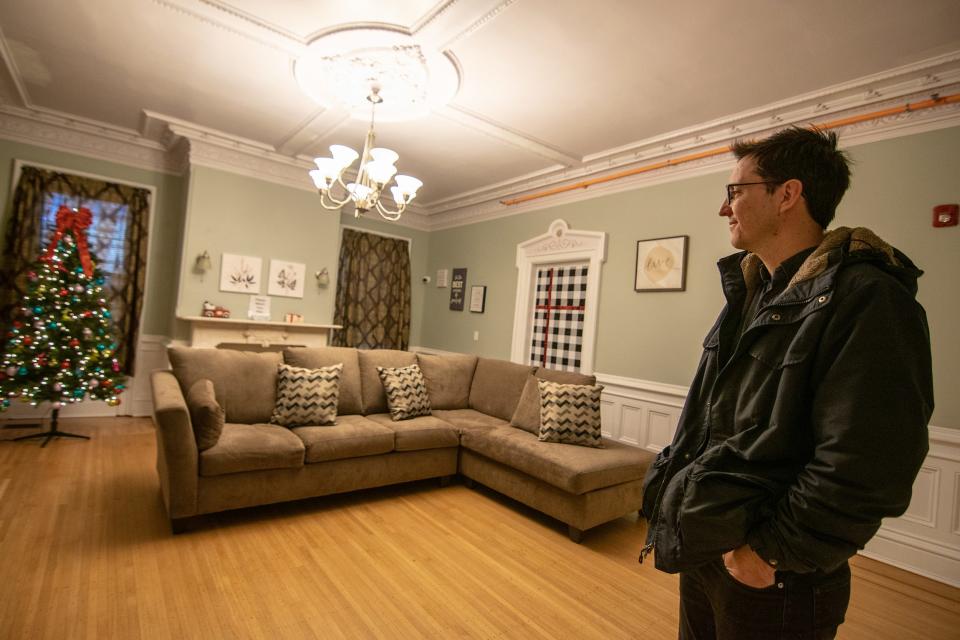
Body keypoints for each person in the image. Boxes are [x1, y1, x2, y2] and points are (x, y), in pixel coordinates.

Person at [639, 126, 934, 640]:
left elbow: (869, 461)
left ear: (788, 195)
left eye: (735, 191)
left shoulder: (868, 298)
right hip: (711, 544)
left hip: (775, 574)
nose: (724, 208)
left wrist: (771, 550)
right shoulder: (753, 290)